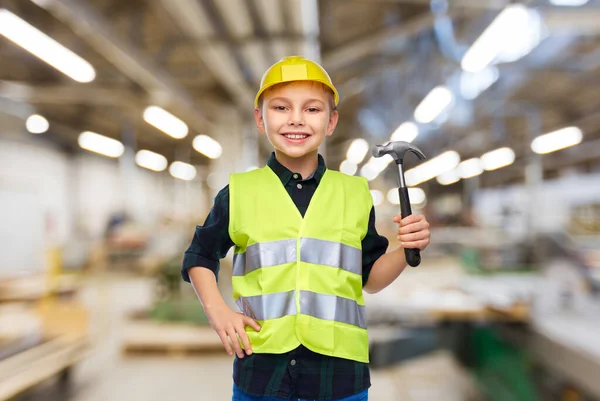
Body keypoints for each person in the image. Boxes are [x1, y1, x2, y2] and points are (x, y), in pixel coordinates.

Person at [182, 56, 431, 401]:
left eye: (312, 110)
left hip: (341, 377)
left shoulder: (355, 194)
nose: (296, 119)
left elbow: (370, 279)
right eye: (281, 107)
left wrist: (405, 250)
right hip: (261, 374)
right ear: (260, 118)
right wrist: (218, 311)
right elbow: (200, 255)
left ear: (331, 122)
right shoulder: (238, 193)